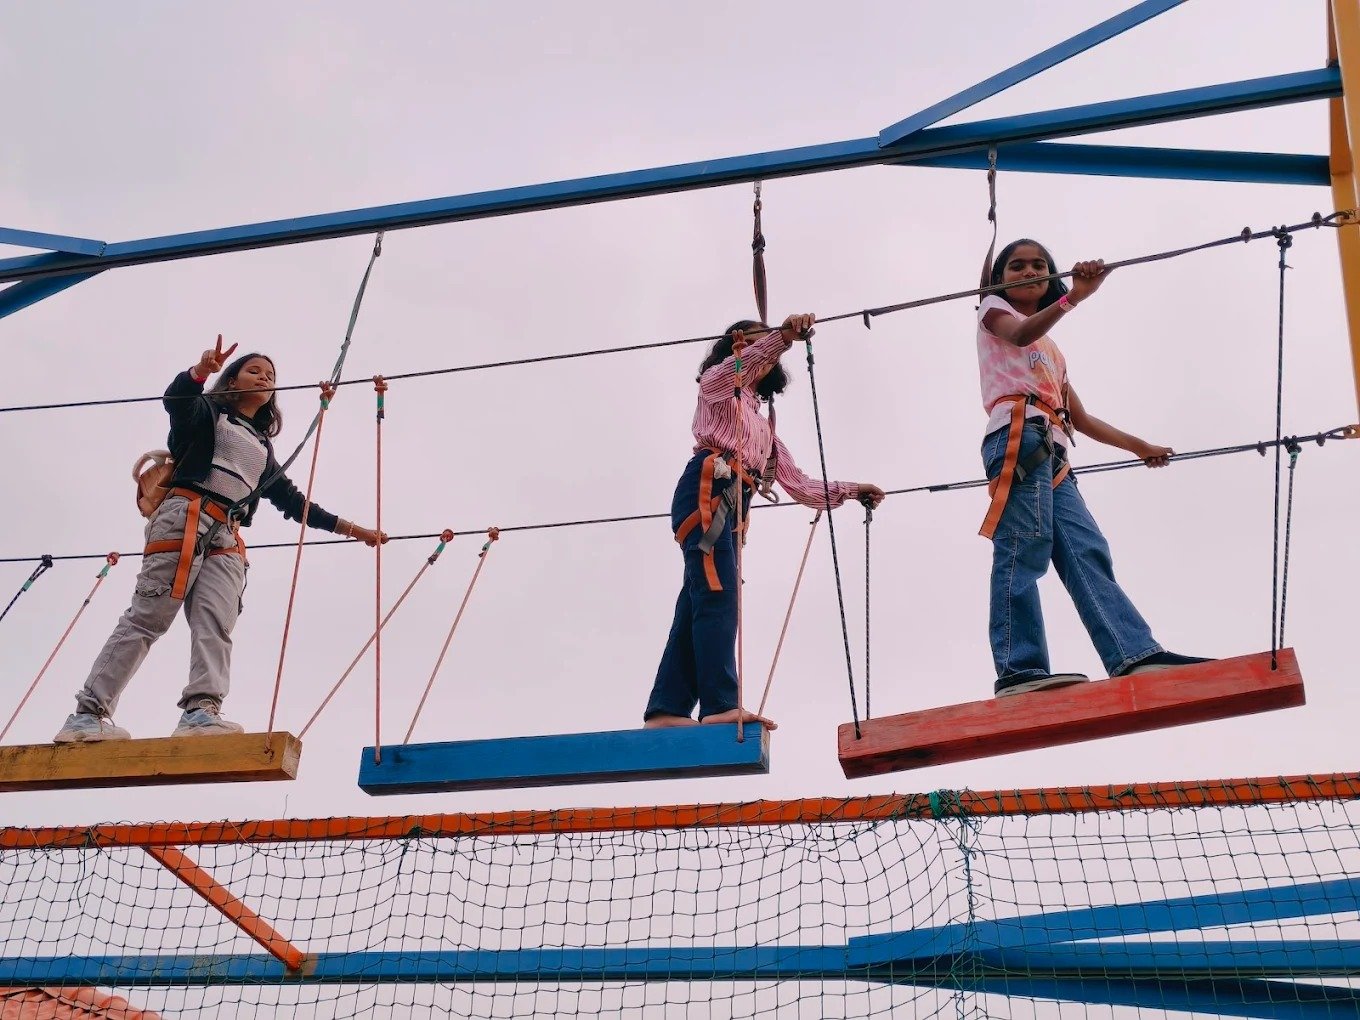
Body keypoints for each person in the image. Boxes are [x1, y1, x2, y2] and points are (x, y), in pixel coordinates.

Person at [53, 337, 386, 742]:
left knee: (216, 623)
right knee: (149, 616)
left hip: (227, 534)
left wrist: (353, 530)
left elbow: (293, 502)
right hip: (185, 517)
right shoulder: (208, 414)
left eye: (270, 375)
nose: (264, 378)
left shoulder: (262, 447)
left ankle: (201, 712)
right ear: (231, 380)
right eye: (254, 370)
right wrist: (199, 372)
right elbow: (177, 401)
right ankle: (87, 715)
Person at [977, 240, 1208, 697]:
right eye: (1017, 266)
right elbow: (1017, 335)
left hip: (1054, 451)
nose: (1029, 271)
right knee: (1024, 545)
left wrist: (1138, 447)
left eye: (1039, 265)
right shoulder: (992, 310)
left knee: (1087, 550)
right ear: (999, 279)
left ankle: (1133, 654)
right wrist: (1073, 298)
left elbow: (1079, 418)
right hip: (1019, 436)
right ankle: (1018, 670)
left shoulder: (1052, 349)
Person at [644, 313, 886, 730]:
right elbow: (730, 373)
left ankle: (667, 708)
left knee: (698, 600)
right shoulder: (717, 387)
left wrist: (851, 489)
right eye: (757, 343)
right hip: (707, 490)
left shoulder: (763, 428)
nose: (767, 350)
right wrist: (782, 338)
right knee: (717, 593)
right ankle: (719, 704)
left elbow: (800, 485)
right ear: (737, 346)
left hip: (731, 508)